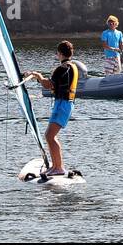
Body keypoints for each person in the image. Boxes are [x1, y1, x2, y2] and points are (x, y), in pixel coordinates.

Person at [27, 41, 81, 177]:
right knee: (50, 135)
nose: (57, 55)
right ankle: (56, 166)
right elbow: (54, 86)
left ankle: (59, 167)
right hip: (65, 104)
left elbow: (47, 85)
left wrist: (38, 77)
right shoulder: (71, 66)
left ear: (61, 53)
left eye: (57, 53)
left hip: (62, 104)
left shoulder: (62, 68)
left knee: (50, 136)